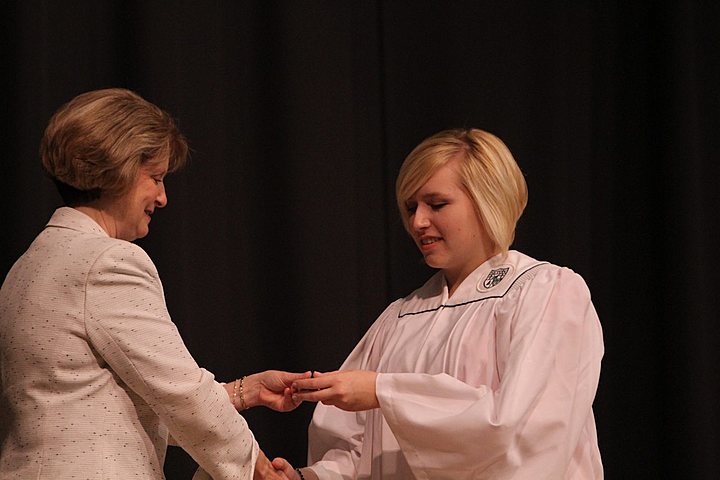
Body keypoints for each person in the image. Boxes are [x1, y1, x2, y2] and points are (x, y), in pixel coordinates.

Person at [0, 88, 306, 479]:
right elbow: (180, 393)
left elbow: (106, 400)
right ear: (119, 168)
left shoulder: (29, 265)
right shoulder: (106, 262)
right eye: (155, 178)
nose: (162, 198)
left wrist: (246, 391)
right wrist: (258, 469)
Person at [273, 128, 604, 479]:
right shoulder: (401, 316)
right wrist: (308, 477)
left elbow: (520, 431)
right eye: (411, 206)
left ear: (488, 199)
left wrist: (383, 390)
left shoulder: (544, 293)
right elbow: (359, 449)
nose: (417, 222)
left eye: (437, 204)